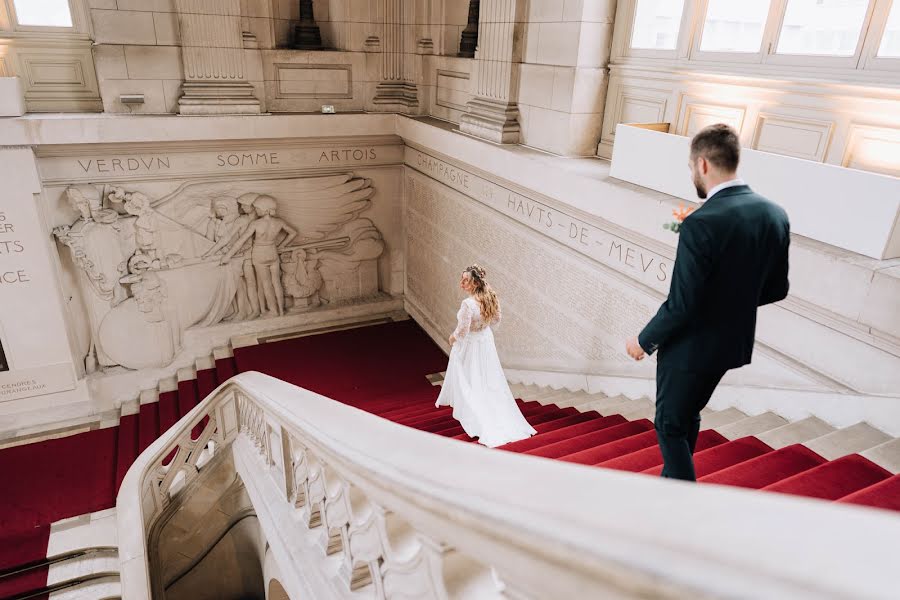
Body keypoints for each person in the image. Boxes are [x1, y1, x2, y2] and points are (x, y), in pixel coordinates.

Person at [625, 123, 790, 481]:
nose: (691, 175)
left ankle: (680, 503)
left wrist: (643, 340)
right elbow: (778, 289)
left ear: (702, 164)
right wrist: (729, 303)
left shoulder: (701, 223)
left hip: (690, 347)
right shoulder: (774, 214)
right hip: (730, 345)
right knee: (689, 413)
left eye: (689, 168)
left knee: (669, 424)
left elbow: (682, 304)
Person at [436, 265, 536, 447]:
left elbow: (463, 330)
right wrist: (483, 327)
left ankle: (477, 417)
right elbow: (497, 319)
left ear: (474, 283)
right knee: (488, 379)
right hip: (486, 342)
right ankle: (492, 412)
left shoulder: (468, 304)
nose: (462, 283)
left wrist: (452, 338)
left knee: (470, 380)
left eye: (465, 280)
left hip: (473, 345)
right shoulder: (490, 298)